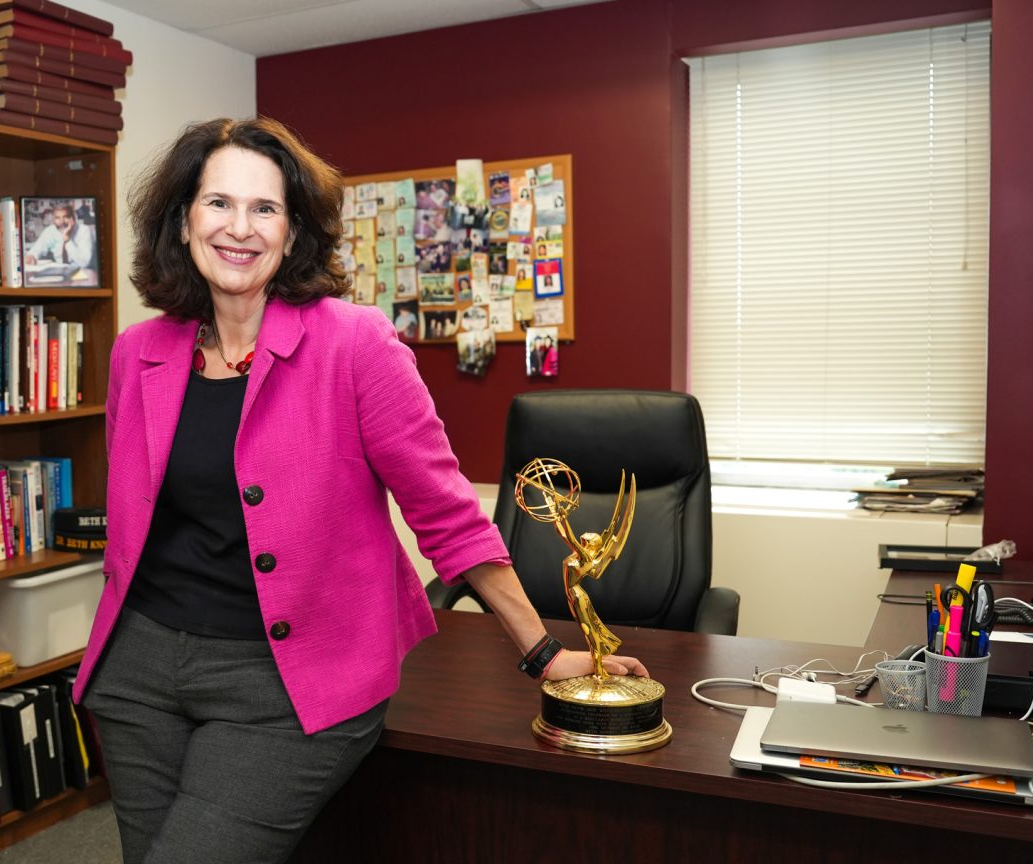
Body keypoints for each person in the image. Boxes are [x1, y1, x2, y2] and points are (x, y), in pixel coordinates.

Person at [72, 117, 648, 864]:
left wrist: (543, 654)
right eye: (218, 204)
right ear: (182, 222)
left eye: (265, 209)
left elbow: (445, 514)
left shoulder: (355, 345)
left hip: (287, 682)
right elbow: (137, 515)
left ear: (292, 233)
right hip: (140, 673)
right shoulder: (137, 353)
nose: (239, 227)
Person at [24, 202, 94, 269]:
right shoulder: (50, 231)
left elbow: (85, 263)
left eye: (65, 217)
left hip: (83, 271)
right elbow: (35, 250)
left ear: (73, 218)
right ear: (53, 220)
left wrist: (68, 240)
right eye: (57, 218)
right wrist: (31, 257)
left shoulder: (84, 230)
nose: (62, 221)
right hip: (60, 272)